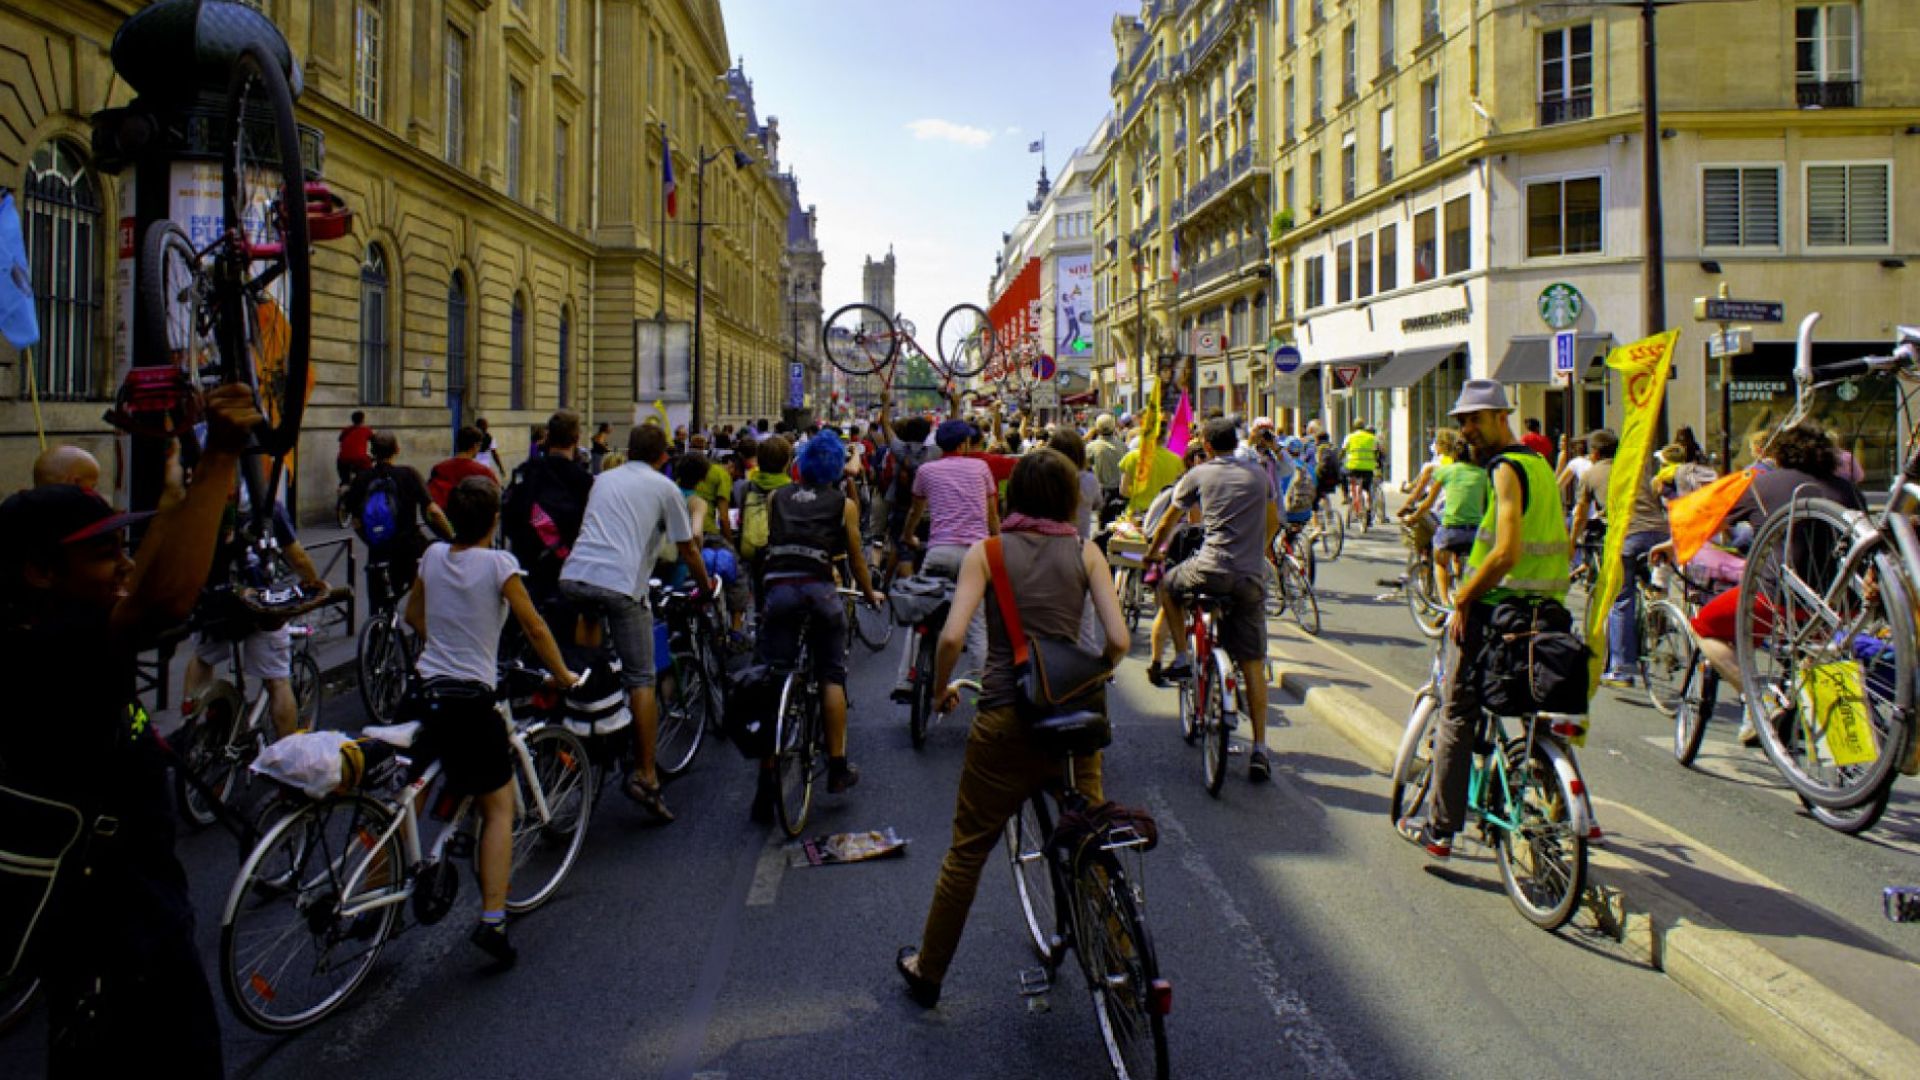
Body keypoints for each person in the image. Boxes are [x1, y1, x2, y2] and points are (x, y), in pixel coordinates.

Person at [0, 384, 259, 1076]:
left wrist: (172, 482)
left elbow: (139, 595)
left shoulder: (57, 631)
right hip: (119, 952)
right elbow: (160, 600)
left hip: (111, 941)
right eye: (102, 554)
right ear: (40, 571)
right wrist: (222, 460)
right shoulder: (55, 645)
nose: (122, 566)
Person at [895, 449, 1129, 1007]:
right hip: (1073, 722)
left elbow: (951, 639)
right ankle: (1125, 973)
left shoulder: (989, 552)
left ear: (1015, 494)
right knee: (1088, 841)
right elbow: (1117, 641)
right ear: (1071, 498)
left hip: (1004, 716)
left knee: (967, 852)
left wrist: (940, 690)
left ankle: (929, 971)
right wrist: (1089, 675)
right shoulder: (1086, 552)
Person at [405, 476, 579, 967]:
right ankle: (493, 920)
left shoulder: (433, 557)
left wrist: (444, 639)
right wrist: (562, 674)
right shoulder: (499, 564)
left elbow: (413, 614)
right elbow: (534, 625)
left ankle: (376, 895)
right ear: (495, 520)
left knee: (410, 793)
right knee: (499, 807)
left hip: (424, 688)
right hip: (470, 699)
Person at [1398, 380, 1571, 858]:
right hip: (1547, 610)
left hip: (1497, 610)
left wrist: (1462, 598)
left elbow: (1507, 550)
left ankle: (1440, 829)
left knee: (1456, 712)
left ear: (1502, 416)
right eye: (1461, 421)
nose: (1467, 429)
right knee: (1535, 710)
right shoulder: (1540, 464)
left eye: (1475, 418)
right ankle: (1556, 810)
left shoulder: (1506, 469)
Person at [1669, 422, 1863, 746]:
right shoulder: (1849, 491)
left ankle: (1758, 699)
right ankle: (1847, 755)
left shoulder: (1762, 485)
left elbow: (1717, 524)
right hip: (1838, 604)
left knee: (1705, 628)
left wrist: (1671, 547)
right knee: (1821, 656)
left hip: (1776, 599)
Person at [558, 423, 711, 820]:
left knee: (588, 665)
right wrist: (706, 587)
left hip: (576, 574)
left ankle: (586, 726)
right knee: (641, 677)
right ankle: (646, 774)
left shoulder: (603, 478)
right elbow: (688, 549)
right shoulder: (665, 488)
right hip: (621, 585)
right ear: (664, 456)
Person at [748, 433, 883, 822]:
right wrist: (871, 593)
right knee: (830, 675)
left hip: (779, 589)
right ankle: (838, 766)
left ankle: (765, 777)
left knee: (776, 676)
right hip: (820, 591)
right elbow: (856, 558)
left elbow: (772, 543)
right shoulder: (844, 504)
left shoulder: (778, 497)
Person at [1145, 418, 1281, 781]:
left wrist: (1154, 553)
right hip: (1250, 576)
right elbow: (1274, 520)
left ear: (1205, 445)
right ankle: (1260, 748)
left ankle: (1184, 656)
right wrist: (1258, 549)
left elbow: (1168, 522)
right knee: (1253, 660)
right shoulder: (1258, 475)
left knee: (1169, 586)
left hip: (1210, 568)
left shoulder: (1199, 474)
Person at [183, 488, 327, 741]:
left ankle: (191, 724)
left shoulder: (206, 504)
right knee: (277, 681)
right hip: (260, 606)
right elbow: (298, 558)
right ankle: (287, 759)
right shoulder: (269, 508)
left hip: (214, 602)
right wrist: (314, 584)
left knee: (202, 659)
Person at [896, 419, 1000, 697]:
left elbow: (915, 513)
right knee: (978, 624)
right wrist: (999, 543)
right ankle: (983, 691)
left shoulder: (927, 471)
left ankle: (907, 679)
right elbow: (992, 516)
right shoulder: (980, 468)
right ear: (963, 444)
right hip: (975, 555)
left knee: (921, 610)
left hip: (938, 551)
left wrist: (909, 537)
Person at [1569, 428, 1671, 688]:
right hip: (1660, 533)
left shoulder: (1591, 474)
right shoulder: (1635, 468)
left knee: (1620, 599)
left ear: (1594, 452)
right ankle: (1656, 616)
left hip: (1629, 535)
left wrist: (1572, 543)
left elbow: (1581, 514)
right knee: (1652, 584)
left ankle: (1621, 667)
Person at [502, 411, 594, 612]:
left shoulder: (527, 471)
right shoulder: (584, 481)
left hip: (526, 562)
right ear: (576, 439)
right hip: (566, 566)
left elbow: (508, 517)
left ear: (548, 436)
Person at [347, 432, 451, 600]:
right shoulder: (409, 474)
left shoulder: (362, 478)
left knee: (379, 607)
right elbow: (434, 511)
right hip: (410, 547)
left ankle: (379, 623)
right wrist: (451, 534)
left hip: (378, 550)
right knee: (423, 601)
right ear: (397, 450)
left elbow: (356, 523)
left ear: (372, 453)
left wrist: (371, 540)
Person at [1402, 429, 1487, 604]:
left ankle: (1445, 604)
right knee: (1466, 559)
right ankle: (1461, 589)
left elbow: (1426, 504)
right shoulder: (1482, 474)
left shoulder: (1444, 471)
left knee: (1440, 562)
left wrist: (1413, 517)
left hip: (1451, 528)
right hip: (1475, 531)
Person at [1117, 428, 1183, 518]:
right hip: (1165, 514)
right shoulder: (1177, 460)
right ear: (1164, 437)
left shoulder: (1132, 457)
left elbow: (1124, 491)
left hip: (1138, 515)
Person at [429, 425, 499, 508]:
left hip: (445, 517)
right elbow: (496, 497)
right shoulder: (484, 472)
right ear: (476, 445)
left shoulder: (439, 468)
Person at [1341, 420, 1379, 525]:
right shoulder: (1372, 438)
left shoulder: (1350, 437)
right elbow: (1376, 452)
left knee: (1342, 474)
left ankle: (1345, 496)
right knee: (1367, 488)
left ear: (1354, 427)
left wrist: (1340, 459)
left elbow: (1343, 451)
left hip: (1352, 467)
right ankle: (1368, 509)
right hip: (1368, 468)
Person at [1086, 414, 1125, 517]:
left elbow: (1085, 466)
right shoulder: (1123, 446)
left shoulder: (1092, 447)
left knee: (1103, 525)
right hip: (1122, 491)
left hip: (1103, 491)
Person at [31, 445, 101, 491]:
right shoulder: (95, 511)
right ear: (74, 482)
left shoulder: (22, 509)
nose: (95, 492)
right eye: (92, 486)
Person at [337, 410, 373, 487]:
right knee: (368, 477)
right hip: (360, 460)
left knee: (345, 480)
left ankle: (343, 491)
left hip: (342, 460)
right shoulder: (366, 430)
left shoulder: (346, 429)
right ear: (363, 420)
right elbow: (374, 440)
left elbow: (340, 439)